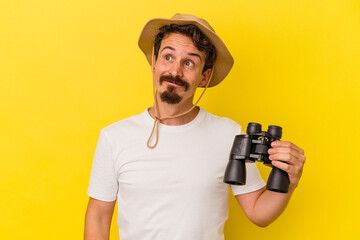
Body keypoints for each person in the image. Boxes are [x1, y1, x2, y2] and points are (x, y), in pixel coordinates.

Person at [84, 14, 306, 240]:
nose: (175, 71)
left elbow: (259, 213)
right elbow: (98, 218)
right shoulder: (114, 137)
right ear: (154, 61)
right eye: (168, 57)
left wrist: (290, 179)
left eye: (189, 62)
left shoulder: (228, 134)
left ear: (204, 77)